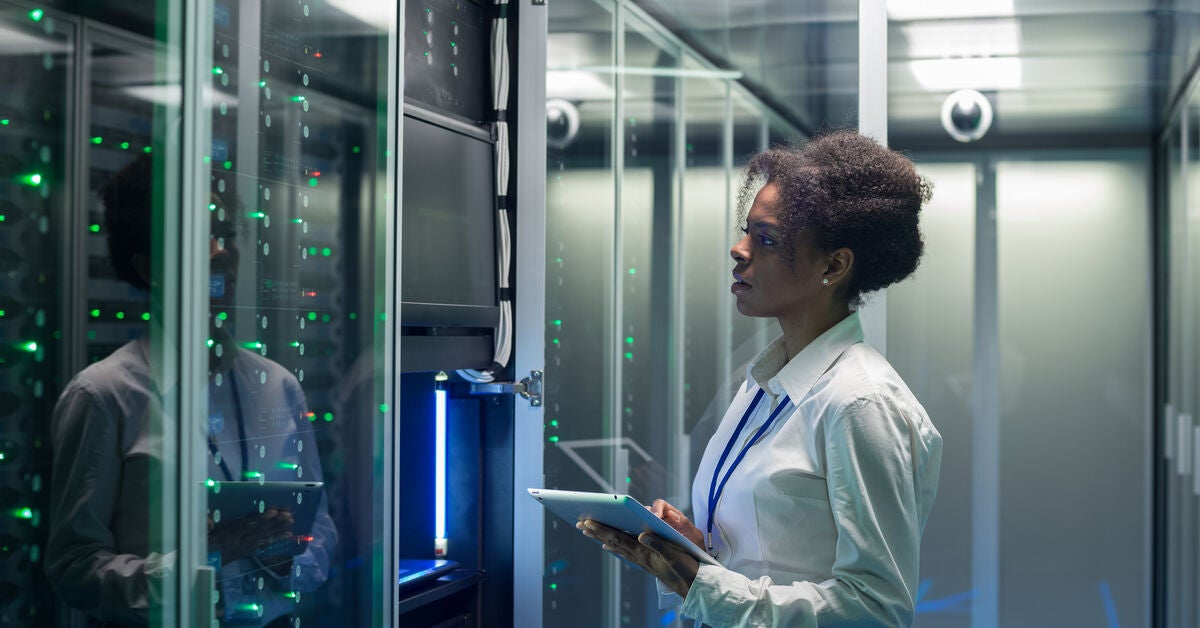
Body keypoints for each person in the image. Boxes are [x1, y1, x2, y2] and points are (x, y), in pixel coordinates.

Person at [578, 130, 943, 627]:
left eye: (766, 239)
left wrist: (701, 585)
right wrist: (698, 549)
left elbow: (877, 610)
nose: (738, 248)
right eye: (746, 230)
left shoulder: (861, 403)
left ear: (834, 266)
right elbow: (775, 555)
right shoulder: (763, 384)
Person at [46, 156, 336, 626]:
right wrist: (202, 561)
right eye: (200, 236)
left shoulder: (278, 386)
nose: (223, 251)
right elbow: (73, 570)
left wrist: (285, 555)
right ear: (148, 266)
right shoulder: (104, 395)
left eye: (228, 233)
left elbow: (320, 531)